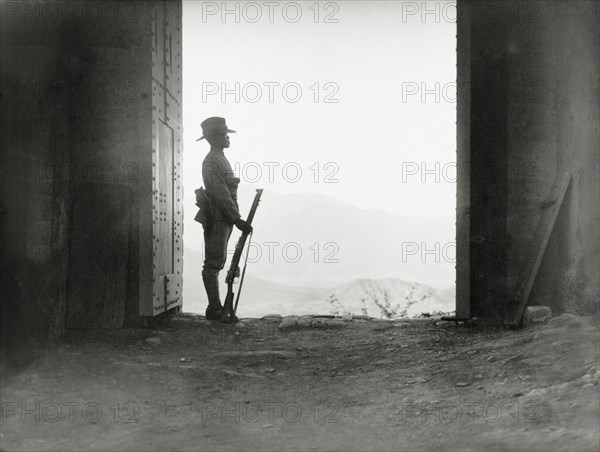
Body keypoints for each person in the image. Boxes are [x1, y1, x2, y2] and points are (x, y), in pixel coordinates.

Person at [197, 117, 252, 321]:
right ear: (214, 138)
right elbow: (221, 194)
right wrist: (237, 219)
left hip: (224, 219)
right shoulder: (212, 161)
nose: (228, 137)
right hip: (218, 219)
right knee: (213, 264)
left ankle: (218, 307)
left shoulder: (220, 158)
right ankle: (214, 308)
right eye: (224, 134)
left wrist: (235, 219)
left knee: (218, 261)